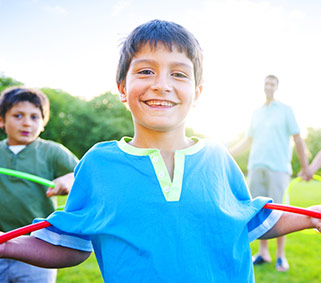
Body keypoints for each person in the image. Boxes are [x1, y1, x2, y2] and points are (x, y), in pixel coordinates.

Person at [1, 20, 321, 283]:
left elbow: (250, 218)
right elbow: (71, 244)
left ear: (196, 93)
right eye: (145, 71)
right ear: (123, 88)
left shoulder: (217, 158)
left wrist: (311, 217)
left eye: (178, 74)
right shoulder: (98, 165)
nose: (161, 84)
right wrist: (6, 245)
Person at [229, 75, 313, 272]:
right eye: (266, 83)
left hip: (279, 169)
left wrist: (306, 166)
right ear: (263, 86)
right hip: (256, 167)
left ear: (276, 87)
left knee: (281, 211)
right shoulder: (256, 112)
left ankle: (280, 257)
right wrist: (226, 153)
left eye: (272, 83)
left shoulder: (285, 110)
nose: (268, 86)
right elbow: (247, 141)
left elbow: (298, 139)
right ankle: (263, 253)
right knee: (259, 211)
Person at [0, 87, 79, 282]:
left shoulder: (52, 151)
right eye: (18, 115)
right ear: (2, 120)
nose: (27, 122)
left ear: (43, 124)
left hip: (37, 247)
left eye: (35, 117)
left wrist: (67, 180)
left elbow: (81, 175)